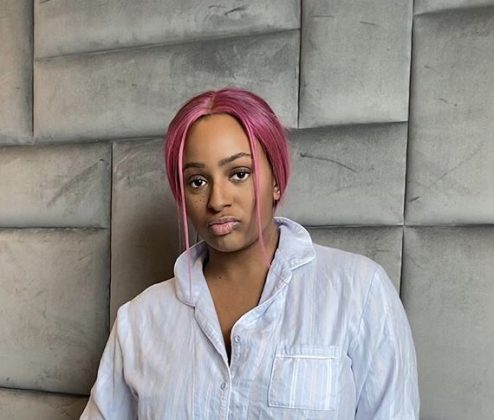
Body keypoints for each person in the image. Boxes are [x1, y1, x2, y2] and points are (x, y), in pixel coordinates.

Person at [81, 87, 419, 419]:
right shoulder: (140, 320)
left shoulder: (358, 291)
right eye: (197, 181)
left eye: (239, 174)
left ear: (276, 182)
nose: (217, 201)